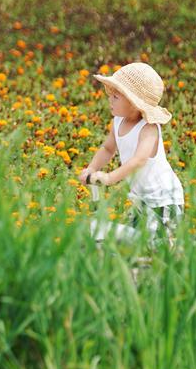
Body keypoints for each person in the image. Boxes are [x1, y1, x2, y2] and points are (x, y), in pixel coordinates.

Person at [78, 62, 184, 244]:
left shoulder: (148, 129)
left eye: (116, 96)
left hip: (163, 200)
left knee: (154, 244)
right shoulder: (118, 121)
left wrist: (110, 178)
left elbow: (139, 160)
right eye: (110, 95)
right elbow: (108, 149)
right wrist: (92, 168)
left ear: (134, 102)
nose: (110, 99)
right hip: (141, 200)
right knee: (132, 241)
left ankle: (173, 249)